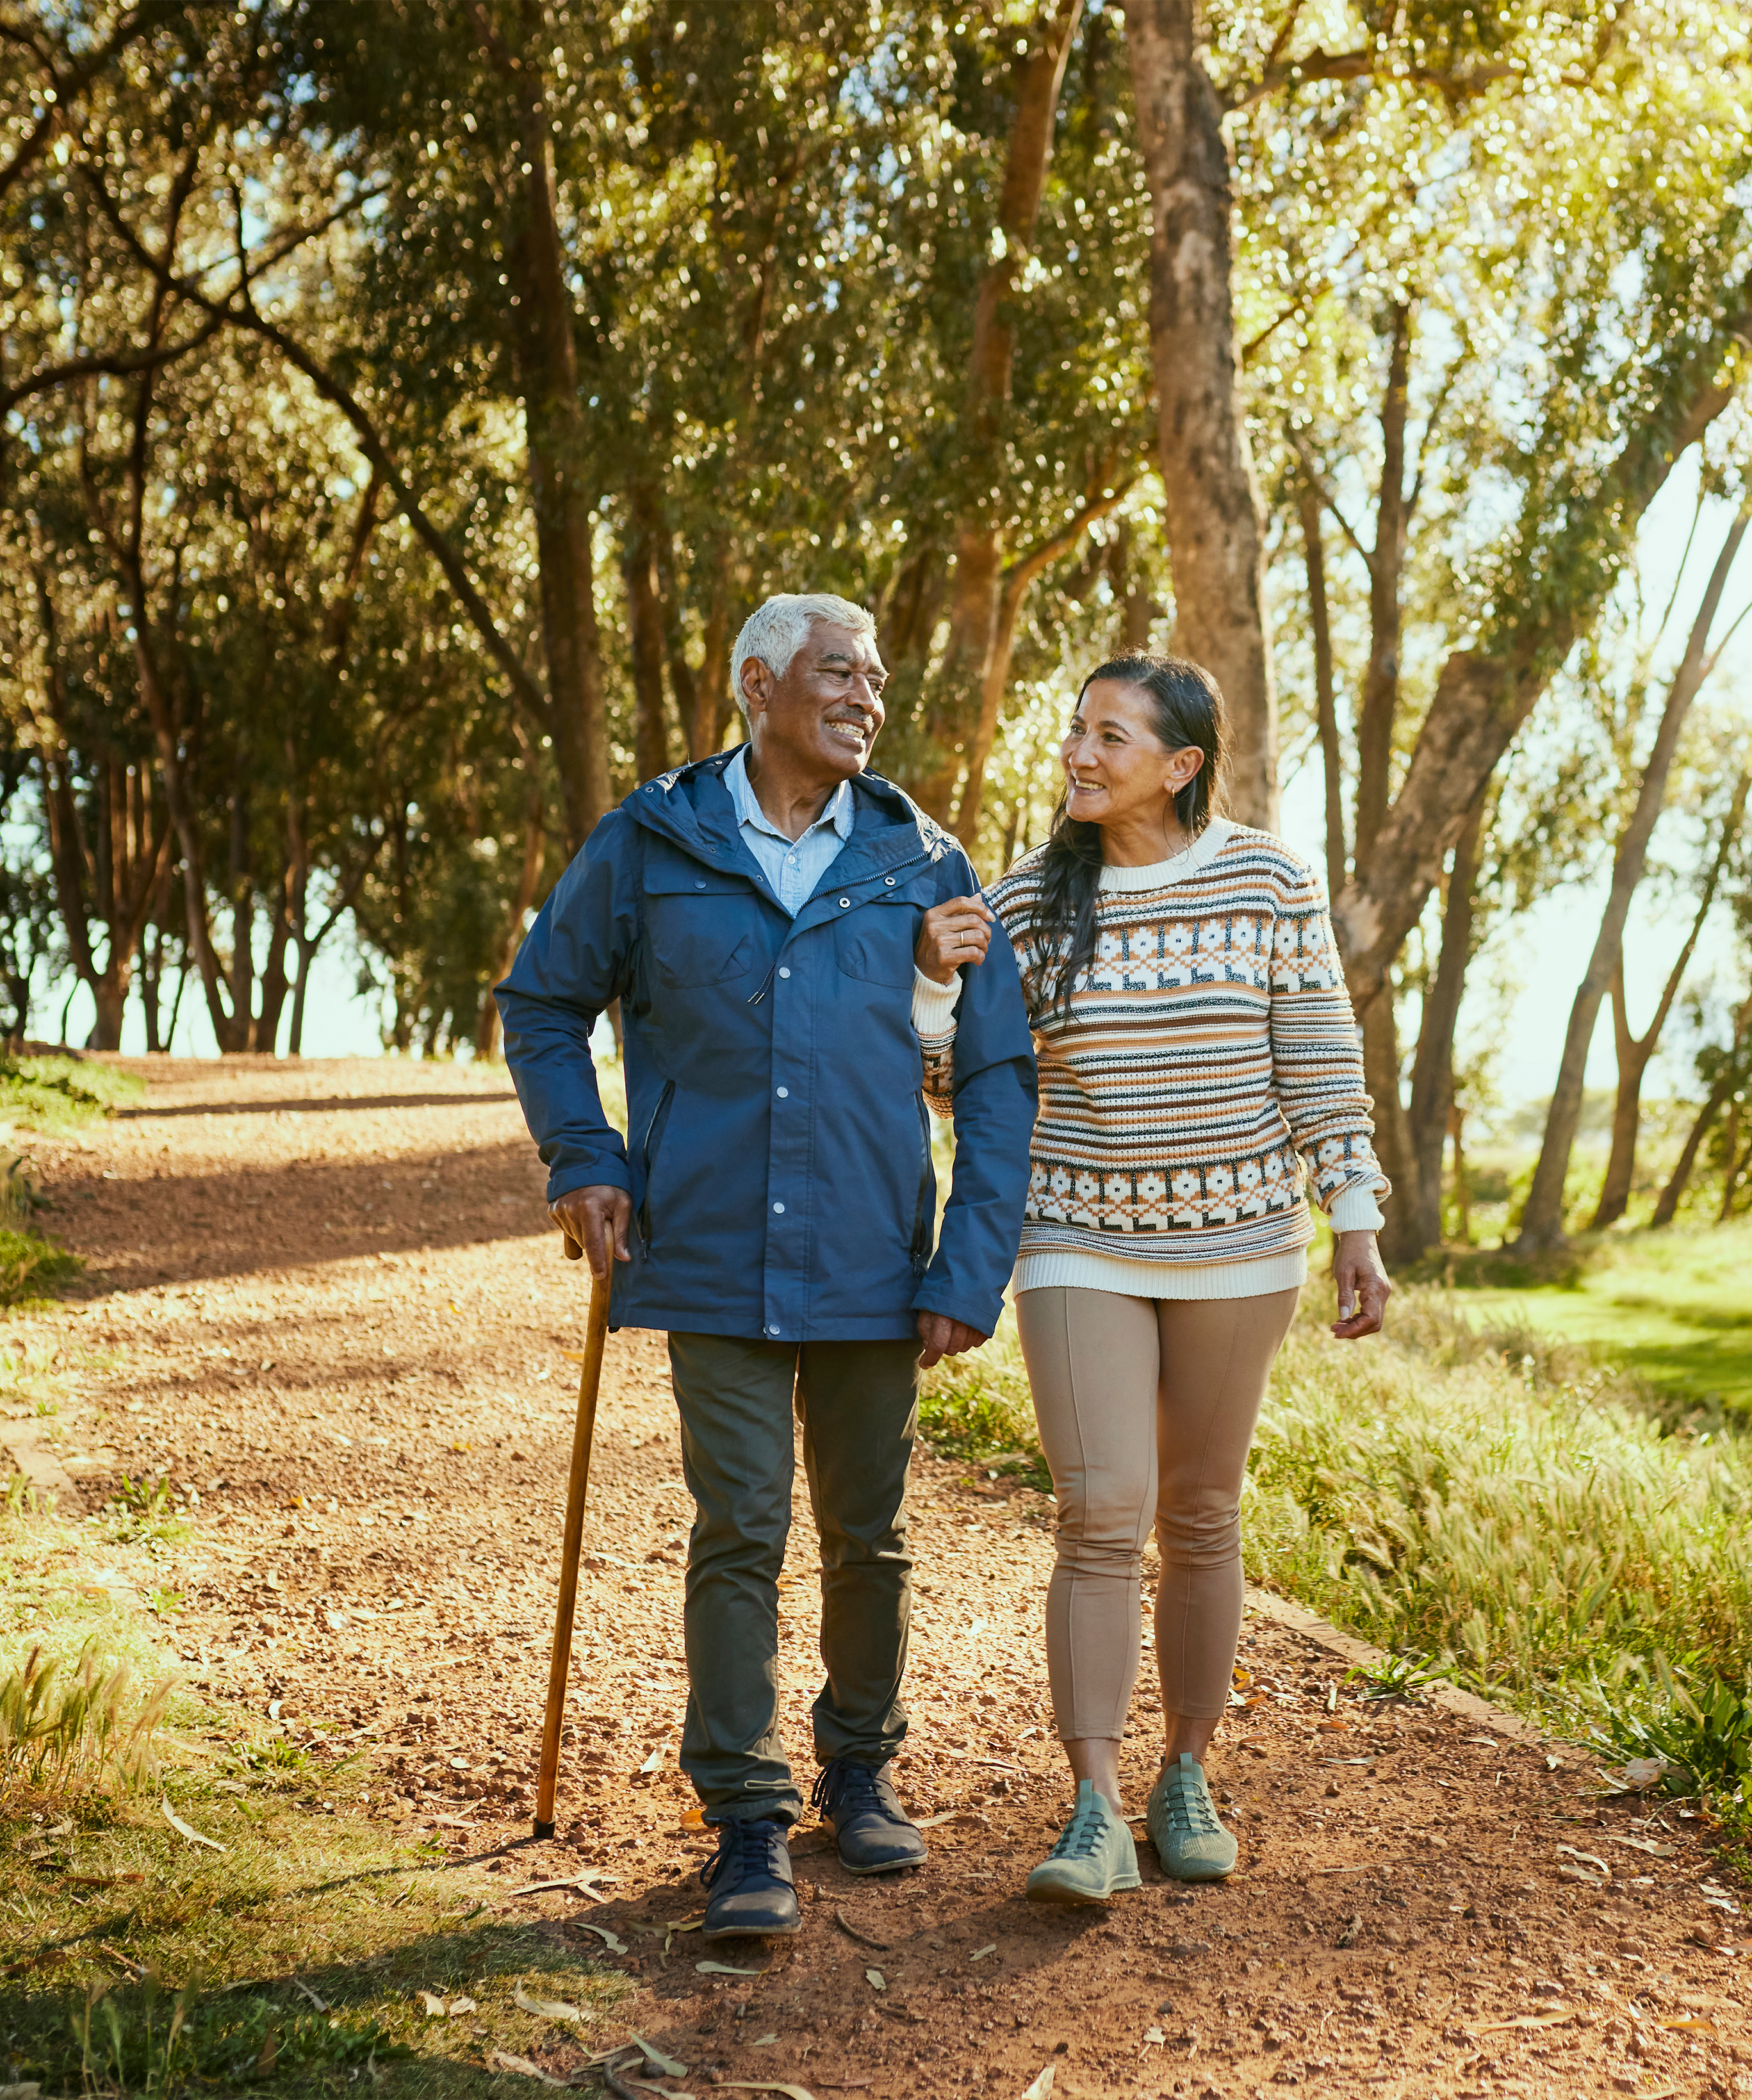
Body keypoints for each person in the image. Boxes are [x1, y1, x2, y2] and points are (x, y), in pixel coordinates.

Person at [496, 591, 1038, 1939]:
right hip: (709, 1248)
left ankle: (858, 1766)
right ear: (757, 682)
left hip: (869, 1254)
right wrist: (586, 1158)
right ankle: (744, 1812)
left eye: (879, 677)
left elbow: (999, 1074)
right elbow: (543, 1002)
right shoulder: (652, 839)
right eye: (842, 672)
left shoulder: (925, 859)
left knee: (871, 1533)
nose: (870, 696)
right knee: (739, 1523)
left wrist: (969, 1266)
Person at [953, 654, 1392, 1905]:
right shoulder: (1032, 898)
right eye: (1075, 732)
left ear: (1182, 764)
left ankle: (1184, 1774)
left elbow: (1317, 1055)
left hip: (1241, 1243)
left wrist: (1351, 1218)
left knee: (1201, 1511)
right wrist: (939, 979)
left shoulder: (1265, 878)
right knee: (1103, 1507)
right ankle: (1092, 1806)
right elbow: (958, 1068)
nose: (1079, 755)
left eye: (1111, 736)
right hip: (1078, 1234)